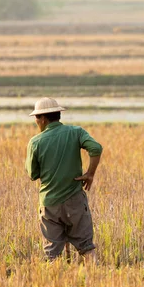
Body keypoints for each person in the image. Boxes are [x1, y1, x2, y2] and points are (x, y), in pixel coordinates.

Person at [25, 97, 103, 263]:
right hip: (74, 201)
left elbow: (33, 174)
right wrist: (90, 174)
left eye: (36, 118)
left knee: (51, 256)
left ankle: (55, 286)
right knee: (87, 248)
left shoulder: (35, 142)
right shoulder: (76, 132)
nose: (36, 122)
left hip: (49, 204)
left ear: (43, 119)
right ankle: (95, 283)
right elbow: (96, 148)